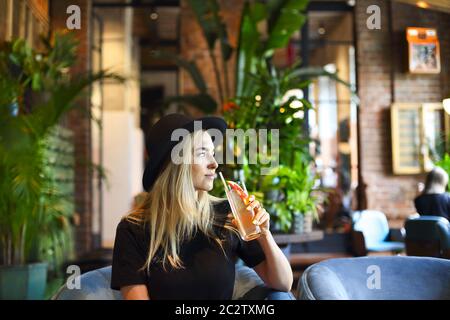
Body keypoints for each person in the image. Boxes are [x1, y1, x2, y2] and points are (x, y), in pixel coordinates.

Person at [110, 113, 293, 300]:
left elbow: (283, 283)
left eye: (212, 153)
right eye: (202, 153)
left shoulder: (228, 214)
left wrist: (264, 235)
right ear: (175, 164)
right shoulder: (133, 229)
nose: (214, 163)